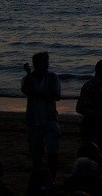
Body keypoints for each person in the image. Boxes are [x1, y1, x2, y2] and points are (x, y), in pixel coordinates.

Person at [21, 51, 62, 181]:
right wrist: (29, 74)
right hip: (34, 119)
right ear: (36, 64)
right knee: (36, 152)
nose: (47, 65)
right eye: (44, 62)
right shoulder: (27, 79)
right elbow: (28, 92)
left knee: (52, 150)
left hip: (50, 118)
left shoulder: (53, 77)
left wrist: (41, 94)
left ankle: (52, 177)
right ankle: (40, 176)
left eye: (47, 62)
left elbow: (57, 96)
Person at [76, 58, 102, 165]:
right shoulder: (90, 86)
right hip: (91, 127)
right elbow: (79, 108)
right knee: (93, 156)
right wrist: (97, 114)